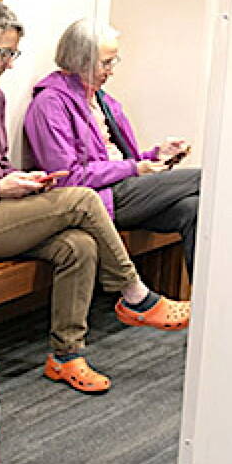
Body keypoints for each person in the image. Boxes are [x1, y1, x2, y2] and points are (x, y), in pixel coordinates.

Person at [0, 2, 189, 396]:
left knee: (78, 246)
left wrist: (19, 178)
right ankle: (135, 295)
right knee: (81, 200)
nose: (9, 63)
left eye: (14, 53)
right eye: (2, 52)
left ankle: (66, 356)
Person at [24, 19, 201, 275]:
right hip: (99, 198)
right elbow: (67, 178)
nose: (112, 71)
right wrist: (135, 168)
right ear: (81, 60)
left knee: (192, 209)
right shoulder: (50, 104)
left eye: (113, 62)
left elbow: (122, 159)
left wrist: (157, 156)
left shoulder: (103, 101)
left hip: (123, 190)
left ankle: (203, 303)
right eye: (106, 63)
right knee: (203, 179)